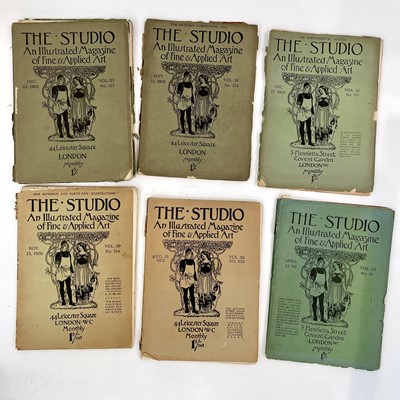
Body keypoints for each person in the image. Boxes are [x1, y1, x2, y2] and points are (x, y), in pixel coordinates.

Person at [54, 240, 75, 306]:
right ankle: (63, 301)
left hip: (68, 272)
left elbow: (70, 263)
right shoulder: (58, 254)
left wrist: (72, 271)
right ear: (61, 246)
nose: (64, 247)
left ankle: (70, 301)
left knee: (69, 287)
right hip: (61, 272)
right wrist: (58, 265)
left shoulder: (69, 254)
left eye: (66, 246)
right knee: (62, 287)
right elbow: (56, 263)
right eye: (63, 246)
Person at [307, 257, 327, 322]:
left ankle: (322, 318)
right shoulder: (314, 269)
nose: (322, 264)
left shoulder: (324, 271)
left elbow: (325, 280)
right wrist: (312, 282)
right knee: (314, 303)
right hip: (315, 287)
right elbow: (311, 279)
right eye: (320, 262)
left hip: (321, 288)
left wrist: (326, 288)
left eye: (323, 262)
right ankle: (315, 316)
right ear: (318, 262)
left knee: (321, 303)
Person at [178, 248, 198, 313]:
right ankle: (186, 309)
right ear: (186, 254)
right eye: (188, 253)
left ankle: (194, 309)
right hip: (185, 279)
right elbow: (181, 270)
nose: (189, 255)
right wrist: (182, 273)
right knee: (185, 294)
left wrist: (195, 279)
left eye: (190, 253)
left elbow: (194, 271)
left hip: (191, 279)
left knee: (192, 294)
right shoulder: (183, 261)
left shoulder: (193, 262)